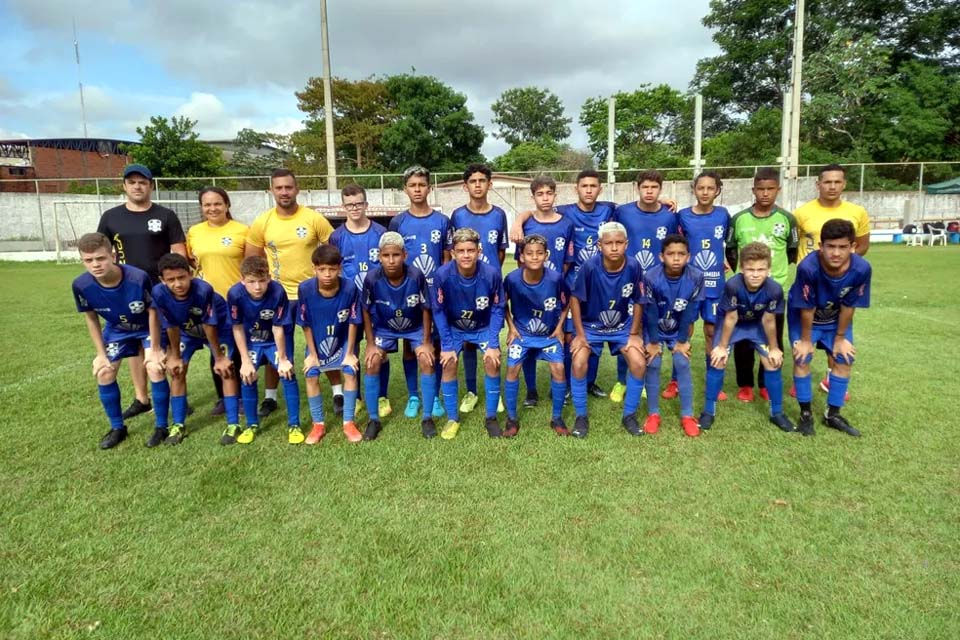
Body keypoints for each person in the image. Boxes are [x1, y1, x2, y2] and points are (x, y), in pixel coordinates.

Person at [510, 169, 617, 400]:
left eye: (549, 193)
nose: (545, 197)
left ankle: (581, 382)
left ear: (556, 195)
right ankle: (534, 389)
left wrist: (556, 281)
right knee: (530, 335)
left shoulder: (568, 221)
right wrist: (518, 219)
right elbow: (521, 261)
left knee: (580, 333)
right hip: (532, 292)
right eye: (541, 194)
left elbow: (568, 259)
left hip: (565, 287)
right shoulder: (530, 222)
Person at [96, 163, 186, 421]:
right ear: (124, 186)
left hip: (159, 289)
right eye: (132, 182)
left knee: (164, 344)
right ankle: (141, 398)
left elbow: (178, 249)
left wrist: (173, 281)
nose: (137, 186)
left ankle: (174, 395)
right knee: (134, 344)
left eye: (142, 182)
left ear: (150, 185)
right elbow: (101, 252)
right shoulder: (111, 217)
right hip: (124, 291)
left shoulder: (166, 215)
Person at [245, 169, 334, 419]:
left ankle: (338, 392)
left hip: (310, 294)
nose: (284, 192)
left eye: (289, 187)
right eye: (279, 188)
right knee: (276, 346)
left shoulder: (313, 219)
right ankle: (270, 397)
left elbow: (332, 251)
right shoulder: (263, 221)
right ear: (271, 190)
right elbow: (251, 258)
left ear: (297, 189)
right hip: (277, 296)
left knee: (321, 341)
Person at [72, 232, 169, 449]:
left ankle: (161, 426)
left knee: (155, 367)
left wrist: (154, 348)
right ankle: (118, 428)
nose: (95, 264)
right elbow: (91, 318)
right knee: (104, 372)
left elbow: (154, 312)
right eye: (88, 260)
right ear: (82, 261)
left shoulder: (137, 277)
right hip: (117, 330)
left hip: (146, 327)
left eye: (100, 258)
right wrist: (100, 354)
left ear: (113, 256)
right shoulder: (81, 285)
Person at [793, 164, 871, 399]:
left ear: (844, 184)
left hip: (840, 280)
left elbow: (863, 243)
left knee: (836, 333)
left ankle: (832, 378)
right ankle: (801, 380)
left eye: (837, 182)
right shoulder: (802, 213)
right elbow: (792, 242)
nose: (832, 186)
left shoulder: (857, 212)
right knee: (806, 334)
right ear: (818, 184)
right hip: (809, 279)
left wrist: (843, 268)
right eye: (827, 182)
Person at [698, 243, 794, 433]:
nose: (755, 274)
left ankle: (777, 413)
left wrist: (774, 348)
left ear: (769, 269)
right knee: (718, 360)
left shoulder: (774, 289)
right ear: (742, 268)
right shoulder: (733, 284)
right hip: (732, 325)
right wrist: (722, 347)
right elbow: (731, 318)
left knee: (773, 362)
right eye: (750, 269)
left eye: (761, 269)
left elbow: (769, 320)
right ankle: (708, 411)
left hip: (756, 325)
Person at [788, 219, 871, 437]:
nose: (836, 253)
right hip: (804, 316)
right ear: (820, 246)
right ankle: (805, 415)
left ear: (852, 247)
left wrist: (840, 338)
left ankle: (832, 414)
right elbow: (807, 307)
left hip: (835, 318)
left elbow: (849, 305)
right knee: (802, 358)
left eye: (842, 247)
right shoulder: (808, 267)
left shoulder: (861, 269)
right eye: (830, 246)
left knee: (844, 358)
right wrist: (805, 341)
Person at [568, 222, 650, 438]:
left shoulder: (634, 267)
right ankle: (581, 416)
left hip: (621, 327)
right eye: (609, 243)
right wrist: (580, 335)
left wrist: (634, 334)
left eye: (619, 243)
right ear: (599, 245)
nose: (614, 247)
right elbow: (575, 300)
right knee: (578, 362)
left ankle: (629, 415)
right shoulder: (590, 267)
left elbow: (640, 300)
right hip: (591, 326)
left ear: (627, 244)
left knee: (639, 363)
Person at [149, 253, 238, 446]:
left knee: (225, 369)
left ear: (190, 274)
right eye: (171, 280)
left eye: (181, 277)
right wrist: (175, 356)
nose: (177, 284)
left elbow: (209, 325)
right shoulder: (158, 293)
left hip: (219, 330)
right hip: (187, 332)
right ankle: (179, 424)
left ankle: (233, 423)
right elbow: (170, 324)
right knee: (177, 370)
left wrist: (219, 357)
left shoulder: (203, 290)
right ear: (162, 280)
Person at [725, 168, 799, 403]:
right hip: (743, 290)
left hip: (774, 291)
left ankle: (766, 382)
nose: (765, 193)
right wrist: (744, 275)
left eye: (770, 189)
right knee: (744, 340)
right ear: (753, 190)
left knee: (772, 334)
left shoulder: (787, 219)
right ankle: (745, 384)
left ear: (778, 189)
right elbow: (731, 250)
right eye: (760, 189)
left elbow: (791, 251)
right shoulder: (740, 219)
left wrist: (773, 275)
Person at [609, 170, 680, 402]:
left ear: (661, 189)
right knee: (628, 331)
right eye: (645, 187)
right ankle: (622, 381)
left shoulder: (669, 217)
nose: (649, 191)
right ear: (637, 188)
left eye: (654, 188)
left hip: (659, 284)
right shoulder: (622, 212)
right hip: (628, 282)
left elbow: (673, 247)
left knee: (654, 331)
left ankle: (648, 381)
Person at [360, 232, 438, 438]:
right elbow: (365, 310)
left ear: (404, 255)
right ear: (379, 256)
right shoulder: (372, 278)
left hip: (414, 327)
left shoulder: (416, 275)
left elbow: (425, 308)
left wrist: (426, 341)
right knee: (372, 361)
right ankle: (373, 419)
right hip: (385, 327)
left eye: (396, 255)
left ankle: (427, 417)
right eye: (386, 255)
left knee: (427, 359)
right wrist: (370, 343)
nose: (391, 260)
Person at [430, 228, 505, 440]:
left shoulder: (491, 274)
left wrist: (492, 343)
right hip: (455, 328)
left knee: (492, 360)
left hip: (482, 327)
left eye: (470, 250)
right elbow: (438, 310)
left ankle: (491, 418)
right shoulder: (442, 275)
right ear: (452, 252)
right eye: (460, 250)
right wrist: (446, 345)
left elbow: (498, 309)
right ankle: (453, 418)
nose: (466, 255)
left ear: (479, 251)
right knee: (448, 362)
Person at [388, 165, 449, 420]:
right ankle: (413, 395)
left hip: (435, 295)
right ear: (406, 189)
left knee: (432, 345)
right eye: (412, 185)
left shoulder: (442, 221)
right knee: (410, 346)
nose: (417, 189)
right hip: (407, 295)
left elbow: (446, 260)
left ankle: (433, 396)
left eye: (422, 185)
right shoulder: (398, 221)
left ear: (429, 188)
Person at [448, 163, 508, 415]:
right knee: (468, 340)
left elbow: (501, 252)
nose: (477, 185)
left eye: (482, 180)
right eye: (472, 181)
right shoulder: (457, 216)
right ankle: (472, 391)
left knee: (491, 336)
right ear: (465, 186)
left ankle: (496, 393)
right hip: (463, 288)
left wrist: (488, 275)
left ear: (489, 184)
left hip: (488, 286)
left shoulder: (499, 214)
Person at [328, 183, 391, 417]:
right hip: (350, 304)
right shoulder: (336, 237)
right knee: (350, 349)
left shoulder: (380, 233)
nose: (354, 208)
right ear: (343, 207)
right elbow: (334, 271)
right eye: (349, 205)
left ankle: (382, 395)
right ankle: (356, 397)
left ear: (366, 205)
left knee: (380, 349)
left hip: (377, 304)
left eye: (358, 203)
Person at [186, 186, 248, 416]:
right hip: (206, 302)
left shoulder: (242, 230)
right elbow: (192, 263)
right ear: (202, 208)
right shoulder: (194, 232)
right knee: (216, 349)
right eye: (207, 204)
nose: (212, 208)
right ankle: (223, 398)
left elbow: (251, 263)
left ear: (227, 205)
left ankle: (241, 396)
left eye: (217, 203)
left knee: (237, 348)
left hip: (233, 299)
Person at [503, 234, 571, 437]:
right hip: (522, 335)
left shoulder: (556, 278)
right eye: (529, 253)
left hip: (549, 336)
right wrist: (512, 327)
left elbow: (567, 303)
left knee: (558, 367)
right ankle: (512, 419)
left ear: (546, 255)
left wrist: (559, 328)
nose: (534, 257)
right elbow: (501, 304)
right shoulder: (512, 279)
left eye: (539, 253)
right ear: (521, 257)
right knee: (512, 368)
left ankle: (557, 418)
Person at [228, 256, 301, 444]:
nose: (258, 287)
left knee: (287, 373)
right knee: (247, 375)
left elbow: (278, 328)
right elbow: (236, 327)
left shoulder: (277, 291)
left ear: (269, 277)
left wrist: (283, 358)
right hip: (251, 341)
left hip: (274, 340)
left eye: (262, 281)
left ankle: (294, 425)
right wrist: (244, 360)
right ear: (242, 280)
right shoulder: (234, 294)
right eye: (251, 282)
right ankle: (252, 424)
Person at [297, 245, 363, 443]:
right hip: (317, 342)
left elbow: (353, 321)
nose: (327, 274)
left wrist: (350, 352)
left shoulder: (350, 287)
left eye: (332, 269)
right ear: (314, 269)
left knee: (351, 371)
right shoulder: (305, 289)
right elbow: (305, 323)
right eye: (322, 269)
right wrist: (312, 355)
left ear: (340, 268)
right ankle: (318, 425)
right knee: (311, 374)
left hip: (343, 340)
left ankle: (348, 422)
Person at [640, 234, 704, 437]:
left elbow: (690, 311)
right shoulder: (650, 277)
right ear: (661, 256)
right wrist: (652, 343)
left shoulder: (696, 277)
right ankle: (653, 413)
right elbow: (649, 312)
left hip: (678, 329)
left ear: (689, 256)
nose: (676, 258)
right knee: (654, 363)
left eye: (681, 254)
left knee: (682, 362)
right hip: (654, 329)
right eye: (671, 254)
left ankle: (687, 415)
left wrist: (683, 341)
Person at [676, 171, 730, 401]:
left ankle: (713, 380)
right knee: (684, 330)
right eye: (701, 188)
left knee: (711, 331)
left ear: (717, 190)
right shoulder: (682, 216)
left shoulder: (724, 215)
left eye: (710, 188)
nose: (705, 192)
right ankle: (676, 381)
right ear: (694, 190)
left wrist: (725, 258)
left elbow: (726, 242)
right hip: (688, 283)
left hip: (715, 284)